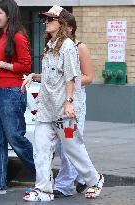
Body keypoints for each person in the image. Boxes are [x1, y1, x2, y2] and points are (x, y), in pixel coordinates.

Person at [21, 5, 104, 202]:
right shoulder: (50, 46)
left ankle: (94, 180)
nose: (46, 22)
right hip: (46, 110)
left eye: (50, 19)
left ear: (62, 23)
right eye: (45, 19)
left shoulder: (68, 46)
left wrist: (69, 103)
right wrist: (34, 76)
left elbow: (71, 78)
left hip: (63, 111)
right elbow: (53, 76)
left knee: (72, 148)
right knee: (41, 149)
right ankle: (43, 190)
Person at [0, 0, 35, 195]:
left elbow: (26, 67)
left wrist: (0, 64)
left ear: (9, 14)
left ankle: (44, 175)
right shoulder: (1, 35)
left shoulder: (18, 36)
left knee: (15, 138)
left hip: (11, 93)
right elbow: (4, 64)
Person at [53, 12, 94, 197]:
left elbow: (89, 77)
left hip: (74, 102)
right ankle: (84, 176)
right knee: (59, 145)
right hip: (56, 102)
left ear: (69, 27)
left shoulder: (79, 47)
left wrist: (69, 80)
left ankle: (64, 184)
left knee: (70, 140)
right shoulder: (55, 47)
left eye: (59, 23)